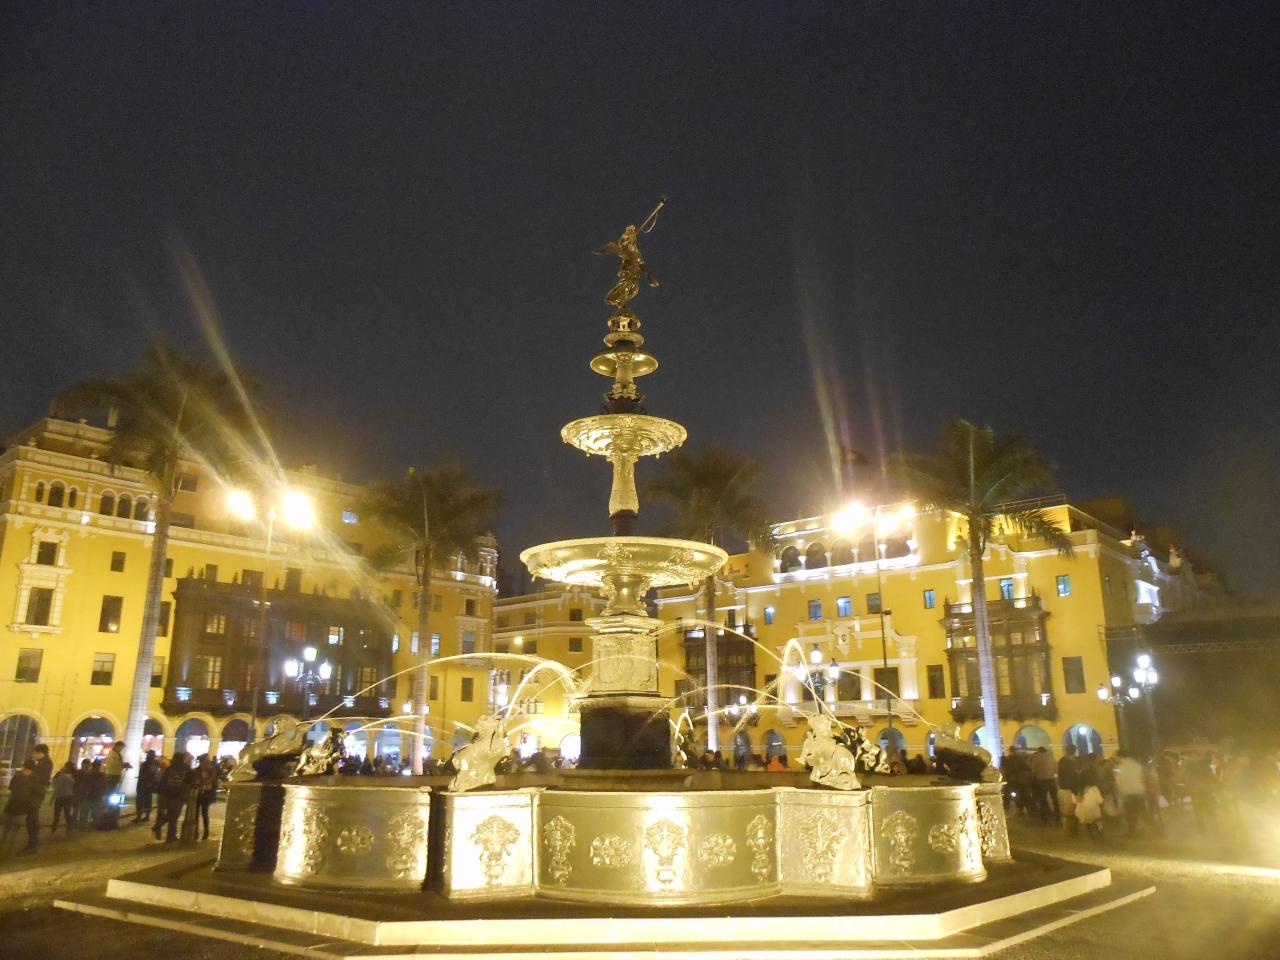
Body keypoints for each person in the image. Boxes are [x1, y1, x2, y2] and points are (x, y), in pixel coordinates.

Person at [2, 761, 40, 856]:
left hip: (11, 807)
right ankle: (8, 853)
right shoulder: (34, 779)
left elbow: (11, 788)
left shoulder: (17, 777)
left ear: (25, 767)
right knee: (13, 833)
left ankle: (3, 850)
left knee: (6, 831)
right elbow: (37, 793)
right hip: (21, 810)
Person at [153, 752, 192, 842]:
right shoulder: (186, 768)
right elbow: (191, 779)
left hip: (168, 794)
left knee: (171, 814)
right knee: (174, 815)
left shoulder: (170, 768)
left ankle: (169, 834)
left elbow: (163, 781)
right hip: (179, 794)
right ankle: (167, 833)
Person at [1113, 752, 1148, 837]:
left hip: (1128, 794)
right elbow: (1144, 778)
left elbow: (1118, 783)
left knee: (1130, 815)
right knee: (1142, 813)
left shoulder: (1119, 768)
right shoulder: (1138, 766)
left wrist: (1120, 794)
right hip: (1140, 792)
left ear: (1120, 757)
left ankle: (1132, 832)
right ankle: (1148, 831)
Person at [187, 754, 218, 841]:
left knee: (205, 813)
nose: (207, 763)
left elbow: (215, 784)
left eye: (208, 762)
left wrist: (211, 789)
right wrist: (197, 785)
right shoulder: (196, 771)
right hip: (198, 794)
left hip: (207, 794)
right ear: (201, 762)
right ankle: (195, 832)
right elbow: (191, 782)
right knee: (195, 814)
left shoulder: (212, 771)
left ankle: (206, 832)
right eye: (205, 761)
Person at [1057, 744, 1082, 836]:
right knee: (1074, 809)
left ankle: (1069, 829)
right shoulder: (1077, 760)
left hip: (1066, 788)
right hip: (1075, 787)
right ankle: (1073, 828)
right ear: (1075, 751)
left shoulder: (1062, 761)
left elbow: (1060, 774)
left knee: (1068, 810)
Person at [1030, 747, 1059, 822]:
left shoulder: (1036, 759)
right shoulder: (1051, 758)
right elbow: (1056, 770)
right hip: (1051, 781)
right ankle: (1058, 816)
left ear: (1038, 751)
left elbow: (1033, 771)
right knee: (1055, 799)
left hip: (1041, 781)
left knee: (1043, 800)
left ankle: (1044, 817)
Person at [50, 762, 77, 833]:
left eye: (65, 766)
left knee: (58, 815)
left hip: (61, 797)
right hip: (67, 797)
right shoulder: (72, 776)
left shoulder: (62, 776)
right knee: (67, 814)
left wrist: (52, 798)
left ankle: (54, 829)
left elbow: (57, 787)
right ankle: (69, 828)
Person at [134, 750, 159, 822]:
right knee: (146, 800)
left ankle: (141, 816)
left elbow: (150, 775)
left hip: (144, 784)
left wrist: (149, 782)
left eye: (148, 754)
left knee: (142, 800)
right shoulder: (153, 764)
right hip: (146, 784)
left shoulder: (150, 764)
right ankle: (144, 816)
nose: (147, 756)